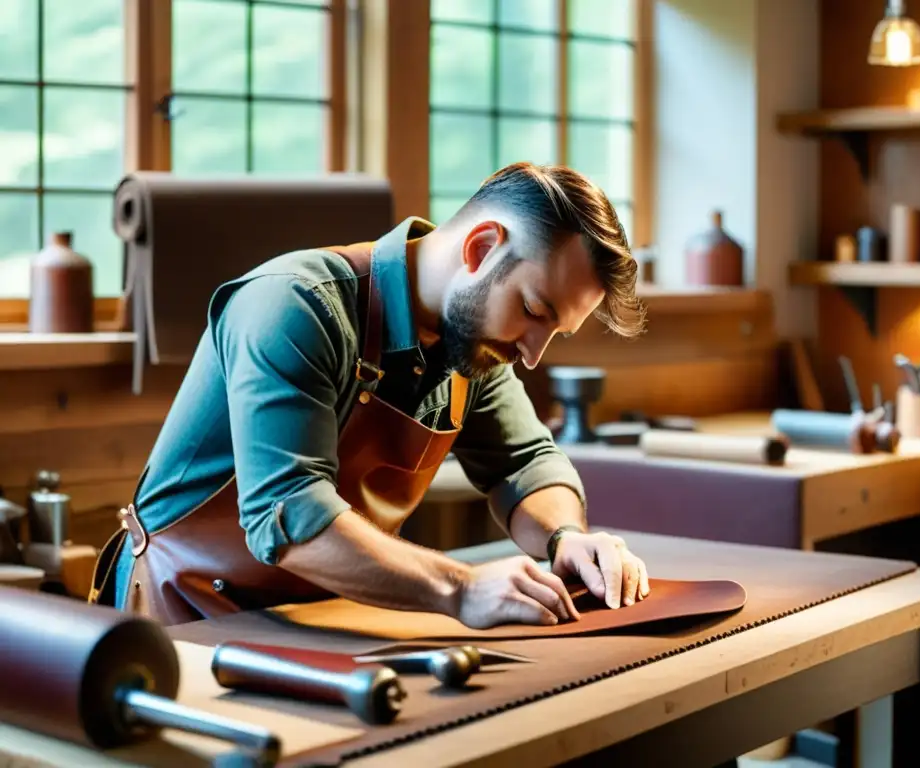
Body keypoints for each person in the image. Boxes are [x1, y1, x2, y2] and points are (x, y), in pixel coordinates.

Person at [88, 161, 651, 628]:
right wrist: (461, 588)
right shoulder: (294, 305)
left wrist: (565, 538)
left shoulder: (474, 346)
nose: (533, 354)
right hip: (185, 620)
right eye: (533, 311)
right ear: (481, 249)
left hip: (328, 617)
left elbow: (523, 464)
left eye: (555, 333)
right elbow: (290, 517)